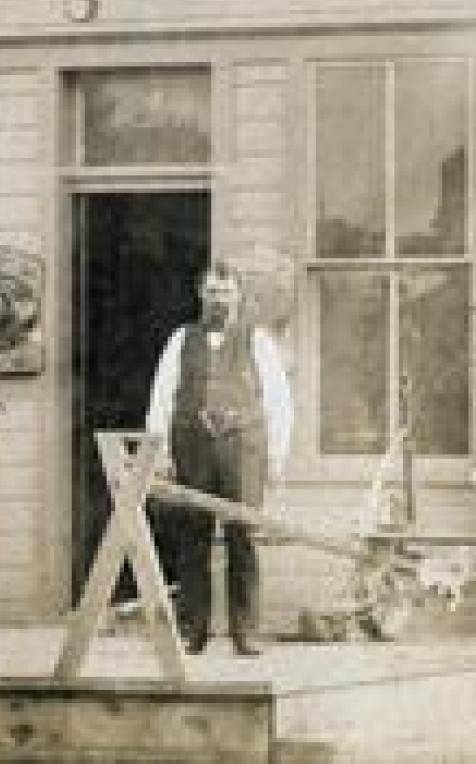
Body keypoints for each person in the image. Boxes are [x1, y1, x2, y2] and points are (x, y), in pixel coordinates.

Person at [143, 260, 292, 657]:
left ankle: (246, 633)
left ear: (239, 296)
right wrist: (158, 452)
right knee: (193, 537)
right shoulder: (181, 339)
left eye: (225, 292)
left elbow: (278, 402)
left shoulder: (257, 340)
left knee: (243, 538)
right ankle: (194, 631)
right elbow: (161, 396)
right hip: (192, 447)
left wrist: (276, 457)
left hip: (243, 449)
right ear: (200, 294)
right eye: (211, 291)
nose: (218, 299)